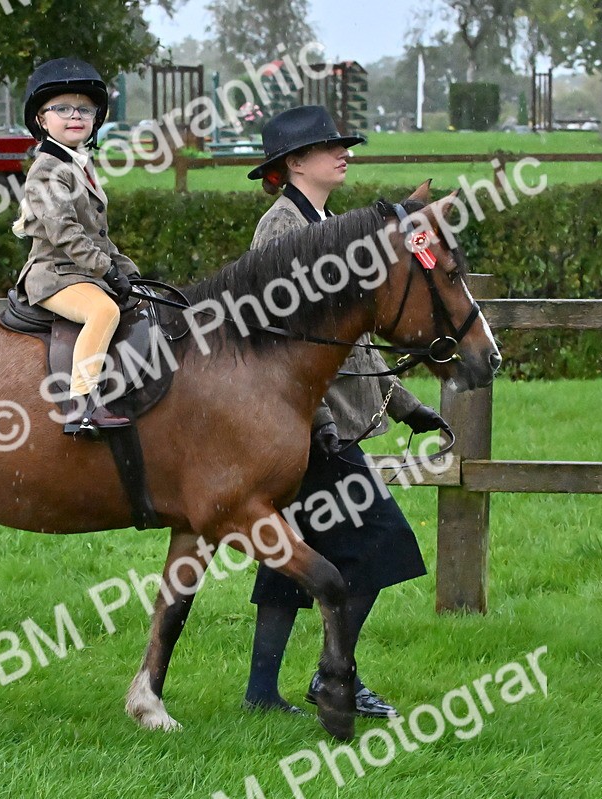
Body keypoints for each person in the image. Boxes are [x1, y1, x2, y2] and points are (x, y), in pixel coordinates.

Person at [242, 105, 448, 717]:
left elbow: (352, 342)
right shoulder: (281, 232)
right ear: (294, 162)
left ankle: (261, 695)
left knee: (292, 554)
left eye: (343, 145)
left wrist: (408, 407)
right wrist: (323, 427)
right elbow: (283, 344)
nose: (345, 153)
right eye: (330, 147)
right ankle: (336, 677)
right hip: (303, 429)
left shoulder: (329, 224)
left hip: (316, 429)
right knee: (383, 544)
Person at [12, 58, 141, 435]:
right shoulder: (48, 168)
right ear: (41, 119)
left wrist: (129, 272)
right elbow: (66, 235)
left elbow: (98, 234)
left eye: (85, 109)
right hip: (54, 276)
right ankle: (80, 405)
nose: (76, 116)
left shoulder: (79, 165)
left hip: (83, 272)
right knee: (103, 312)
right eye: (63, 109)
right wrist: (107, 271)